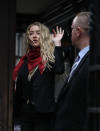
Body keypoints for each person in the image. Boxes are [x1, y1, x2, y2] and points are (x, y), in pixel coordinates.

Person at [12, 22, 64, 131]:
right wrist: (15, 112)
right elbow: (19, 88)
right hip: (26, 112)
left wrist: (57, 43)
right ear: (28, 37)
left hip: (43, 112)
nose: (34, 36)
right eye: (31, 33)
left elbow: (59, 69)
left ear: (43, 36)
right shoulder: (24, 61)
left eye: (38, 33)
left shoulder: (48, 57)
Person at [53, 11, 90, 131]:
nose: (70, 33)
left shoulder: (92, 60)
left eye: (71, 29)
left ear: (78, 32)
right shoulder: (80, 57)